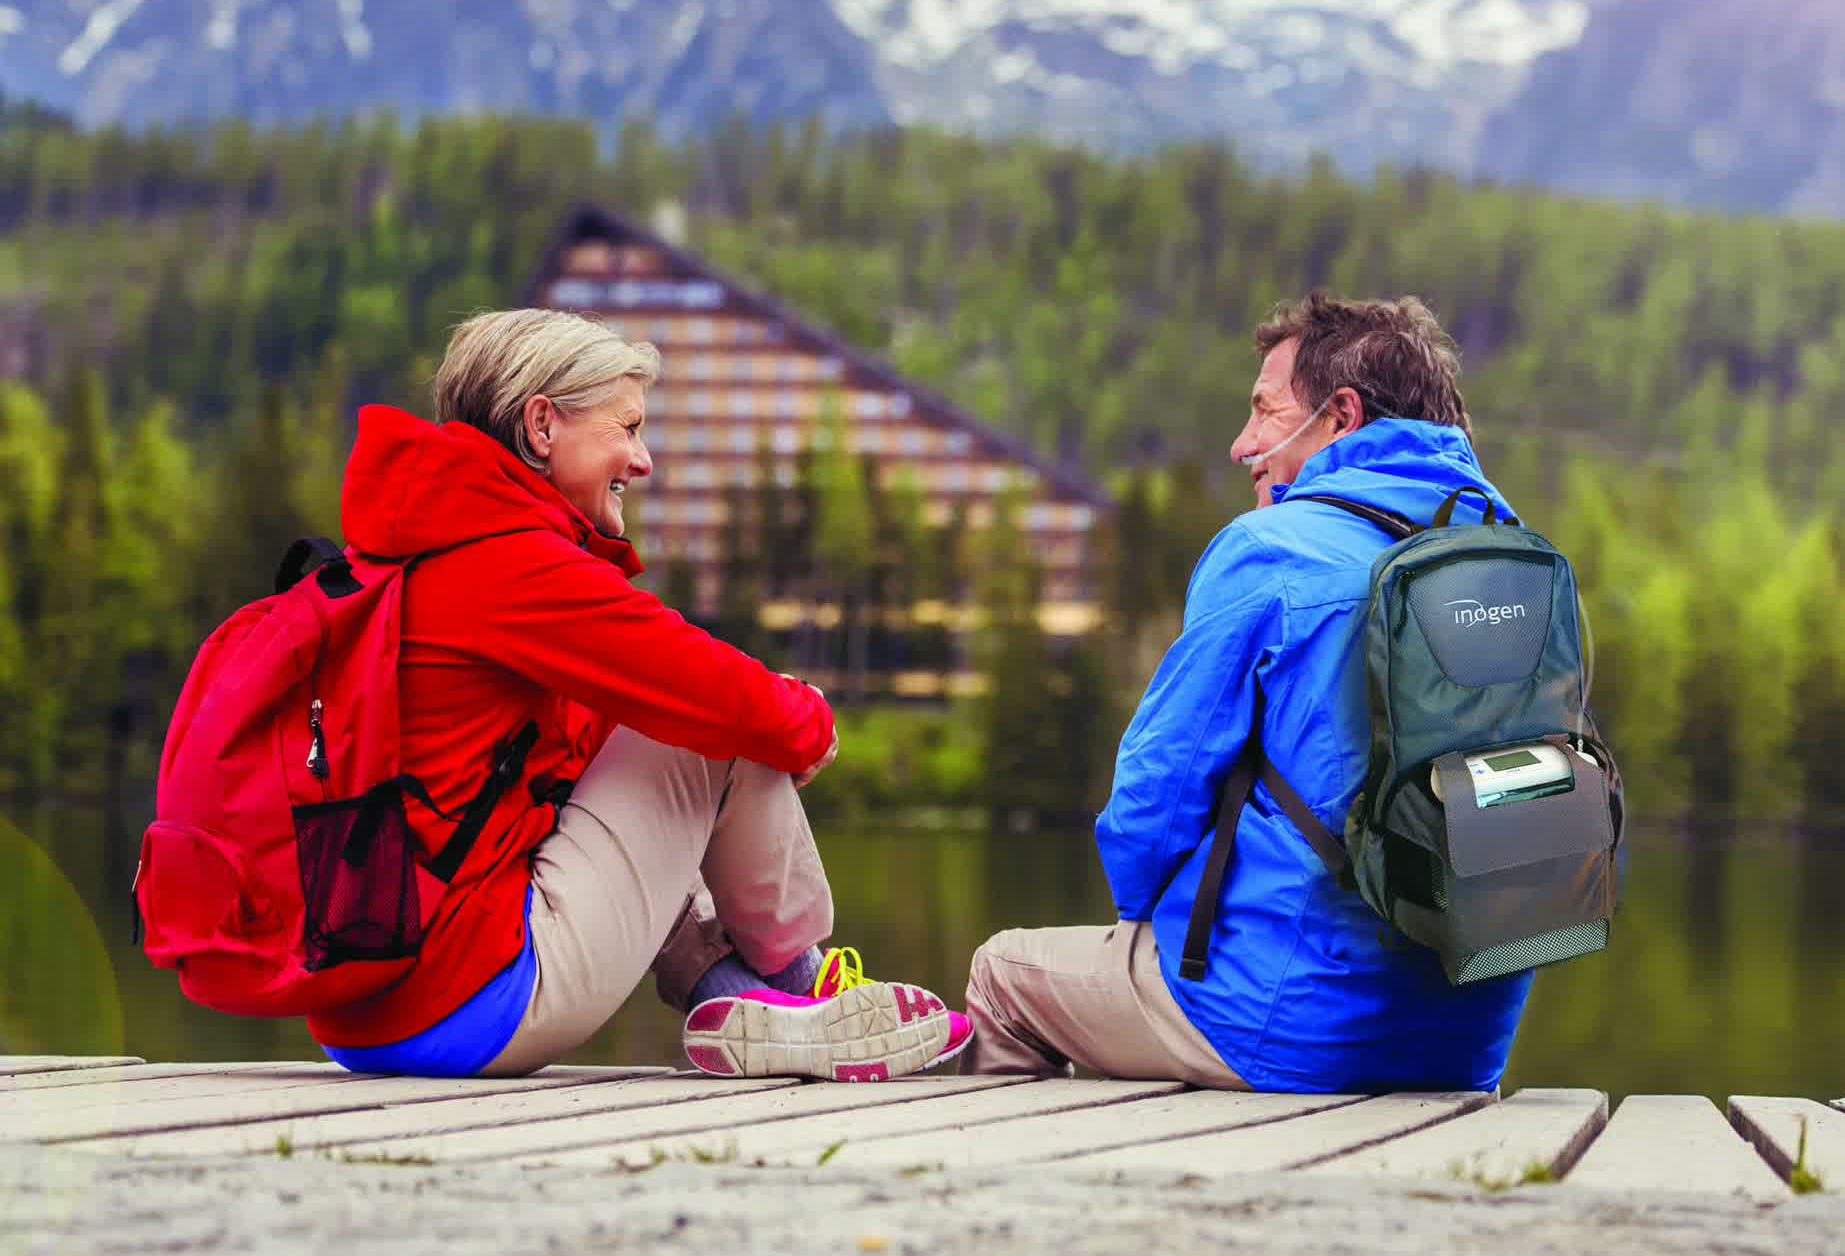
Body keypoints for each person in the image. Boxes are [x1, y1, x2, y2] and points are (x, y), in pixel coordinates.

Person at [309, 308, 971, 1081]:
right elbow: (717, 695)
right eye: (626, 426)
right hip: (470, 1004)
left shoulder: (421, 547)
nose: (643, 459)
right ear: (542, 424)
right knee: (720, 722)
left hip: (363, 1014)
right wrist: (808, 719)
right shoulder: (514, 566)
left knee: (646, 731)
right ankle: (802, 984)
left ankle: (739, 996)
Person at [963, 290, 1531, 1092]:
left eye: (1264, 410)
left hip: (1290, 1021)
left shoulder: (1271, 549)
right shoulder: (1510, 555)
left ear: (1339, 415)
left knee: (1003, 973)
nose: (1241, 444)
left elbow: (1153, 802)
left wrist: (1144, 917)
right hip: (1470, 1038)